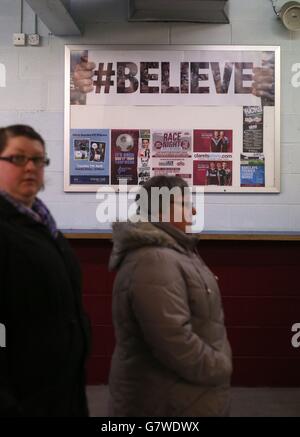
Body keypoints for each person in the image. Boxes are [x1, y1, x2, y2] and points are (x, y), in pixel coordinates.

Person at [108, 175, 232, 417]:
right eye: (185, 204)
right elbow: (173, 340)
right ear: (160, 209)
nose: (194, 211)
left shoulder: (176, 251)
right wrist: (218, 366)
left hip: (182, 396)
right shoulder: (154, 260)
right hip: (166, 402)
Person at [0, 125, 90, 417]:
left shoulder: (43, 226)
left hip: (61, 393)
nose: (30, 167)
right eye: (17, 158)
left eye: (38, 160)